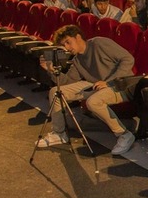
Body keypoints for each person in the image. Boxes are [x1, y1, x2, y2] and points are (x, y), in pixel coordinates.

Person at [36, 24, 136, 155]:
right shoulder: (77, 59)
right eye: (64, 44)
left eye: (68, 42)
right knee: (55, 91)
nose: (66, 47)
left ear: (78, 37)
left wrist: (109, 82)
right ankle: (59, 133)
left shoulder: (99, 43)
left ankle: (124, 134)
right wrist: (51, 70)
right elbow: (66, 82)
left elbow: (128, 59)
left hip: (120, 84)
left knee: (93, 101)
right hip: (96, 85)